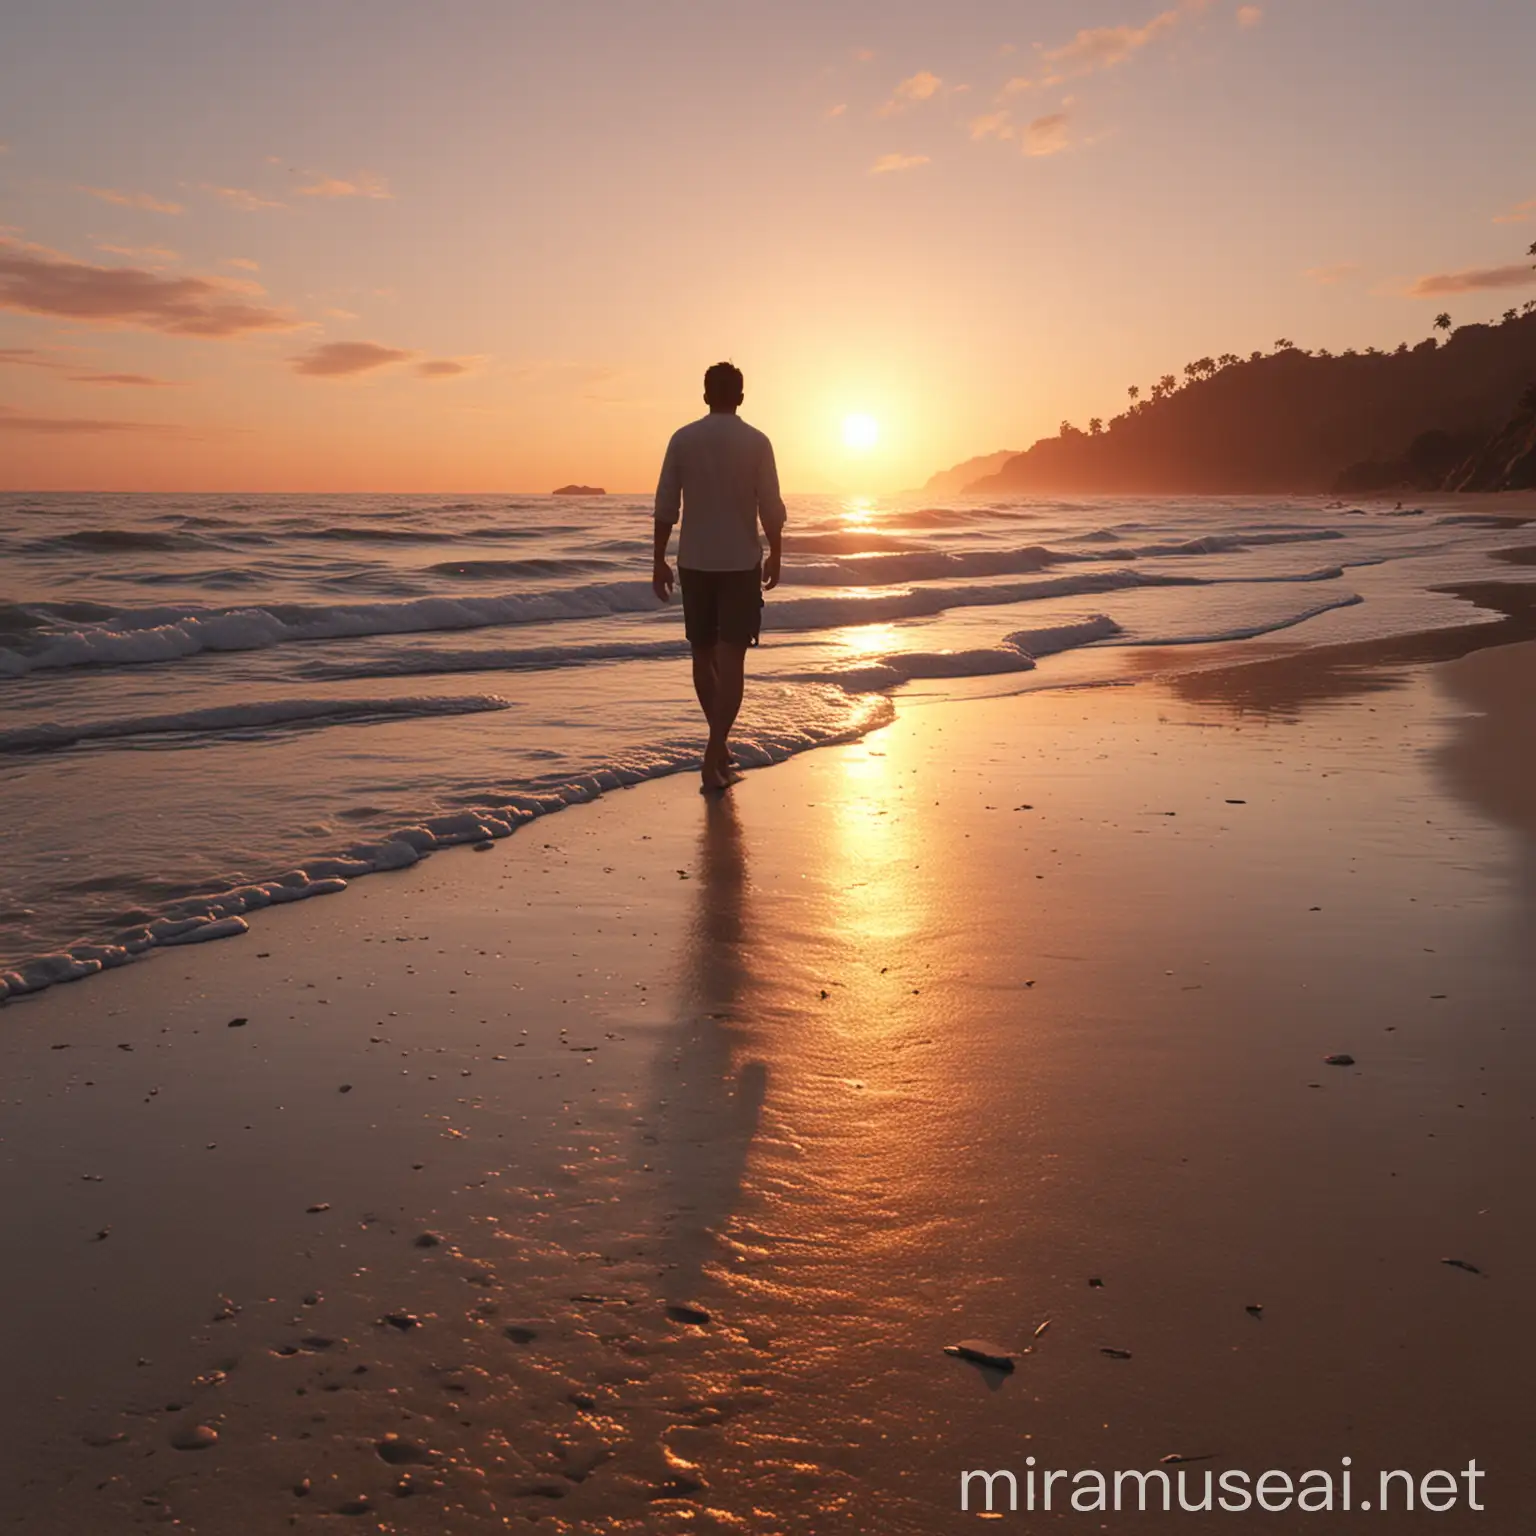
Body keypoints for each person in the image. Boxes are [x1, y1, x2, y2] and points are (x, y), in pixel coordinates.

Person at [653, 362, 785, 792]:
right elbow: (771, 506)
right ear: (741, 397)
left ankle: (717, 749)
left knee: (702, 656)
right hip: (740, 563)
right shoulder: (757, 442)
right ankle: (714, 754)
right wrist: (776, 554)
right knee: (731, 662)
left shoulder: (683, 439)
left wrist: (658, 560)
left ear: (706, 395)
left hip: (695, 562)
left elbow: (665, 506)